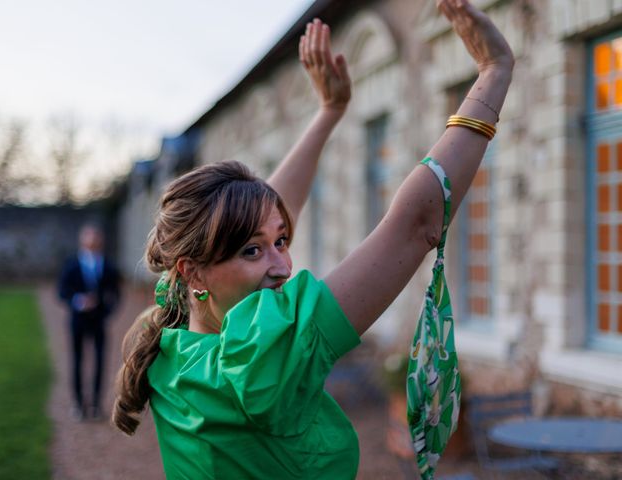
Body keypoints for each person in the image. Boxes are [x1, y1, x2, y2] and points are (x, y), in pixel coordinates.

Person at [112, 1, 513, 478]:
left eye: (281, 242)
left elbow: (261, 219)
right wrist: (494, 71)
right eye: (253, 252)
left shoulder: (169, 337)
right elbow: (415, 225)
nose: (283, 266)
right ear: (192, 270)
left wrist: (329, 112)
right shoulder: (265, 359)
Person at [59, 222, 121, 420]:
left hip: (99, 321)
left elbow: (117, 294)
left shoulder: (109, 265)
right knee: (77, 361)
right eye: (89, 236)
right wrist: (78, 301)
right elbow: (61, 291)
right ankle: (78, 405)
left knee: (100, 362)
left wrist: (106, 311)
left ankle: (96, 405)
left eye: (96, 236)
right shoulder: (72, 264)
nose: (92, 240)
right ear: (82, 239)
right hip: (77, 321)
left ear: (100, 240)